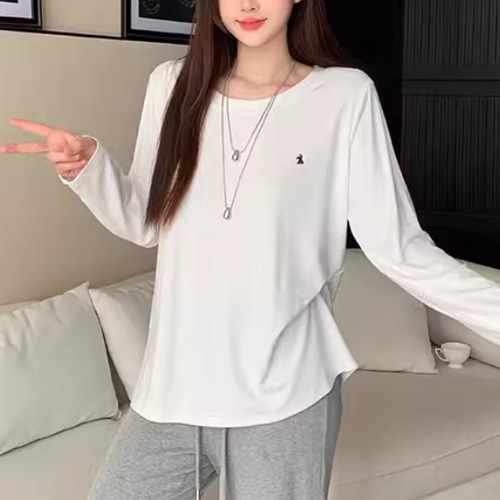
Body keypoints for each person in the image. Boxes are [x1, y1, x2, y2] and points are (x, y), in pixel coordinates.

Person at [2, 0, 500, 499]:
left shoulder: (344, 96)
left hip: (285, 396)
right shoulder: (172, 85)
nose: (248, 4)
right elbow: (147, 221)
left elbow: (401, 249)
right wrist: (89, 169)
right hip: (174, 388)